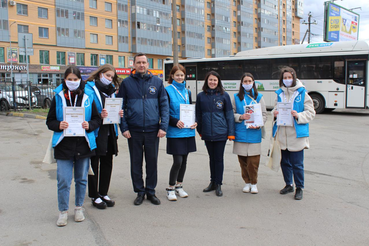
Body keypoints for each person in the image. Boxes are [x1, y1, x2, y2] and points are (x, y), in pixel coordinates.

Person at [46, 66, 100, 227]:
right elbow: (50, 121)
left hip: (84, 144)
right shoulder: (59, 97)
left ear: (80, 80)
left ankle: (78, 208)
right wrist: (59, 124)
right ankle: (63, 211)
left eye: (75, 79)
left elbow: (97, 119)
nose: (72, 82)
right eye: (69, 79)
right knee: (63, 180)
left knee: (82, 179)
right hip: (64, 144)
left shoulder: (88, 96)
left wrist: (88, 124)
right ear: (64, 80)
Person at [117, 53, 169, 205]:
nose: (141, 65)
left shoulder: (157, 82)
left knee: (152, 162)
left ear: (148, 64)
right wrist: (124, 127)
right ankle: (139, 191)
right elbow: (121, 107)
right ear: (133, 64)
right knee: (136, 162)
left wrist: (163, 126)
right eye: (138, 62)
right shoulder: (126, 83)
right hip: (134, 130)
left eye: (144, 62)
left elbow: (164, 106)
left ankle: (151, 191)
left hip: (153, 130)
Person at [272, 66, 315, 200]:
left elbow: (311, 113)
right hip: (282, 134)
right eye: (285, 78)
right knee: (284, 162)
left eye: (289, 77)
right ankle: (288, 184)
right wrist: (274, 113)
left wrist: (298, 115)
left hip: (296, 135)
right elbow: (274, 108)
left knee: (297, 164)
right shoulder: (280, 94)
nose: (287, 80)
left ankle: (299, 187)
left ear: (294, 78)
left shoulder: (302, 93)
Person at [85, 64, 124, 209]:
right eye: (107, 75)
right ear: (100, 74)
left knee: (107, 162)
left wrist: (119, 114)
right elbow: (86, 109)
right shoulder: (88, 89)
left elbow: (114, 108)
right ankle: (94, 195)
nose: (109, 79)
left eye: (112, 77)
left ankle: (103, 192)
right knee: (94, 164)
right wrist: (98, 114)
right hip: (96, 132)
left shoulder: (111, 91)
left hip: (109, 132)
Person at [196, 71, 235, 197]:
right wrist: (200, 131)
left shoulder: (224, 96)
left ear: (218, 82)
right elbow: (198, 115)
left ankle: (218, 184)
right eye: (210, 80)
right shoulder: (201, 96)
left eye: (215, 80)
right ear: (206, 81)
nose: (212, 82)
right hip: (207, 133)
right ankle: (212, 182)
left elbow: (229, 115)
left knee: (218, 159)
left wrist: (231, 133)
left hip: (221, 133)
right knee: (211, 158)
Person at [165, 65, 197, 201]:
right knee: (177, 161)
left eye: (182, 75)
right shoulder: (167, 90)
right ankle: (171, 188)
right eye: (177, 75)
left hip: (188, 131)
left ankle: (179, 185)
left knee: (184, 160)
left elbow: (190, 109)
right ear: (172, 76)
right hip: (175, 130)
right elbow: (164, 111)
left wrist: (194, 121)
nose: (179, 77)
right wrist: (174, 121)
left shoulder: (187, 92)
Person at [232, 73, 267, 194]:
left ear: (253, 83)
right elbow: (232, 113)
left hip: (254, 133)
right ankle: (246, 182)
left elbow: (264, 114)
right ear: (241, 83)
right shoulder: (236, 97)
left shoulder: (259, 97)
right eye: (245, 81)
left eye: (249, 81)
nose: (247, 83)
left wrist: (259, 123)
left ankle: (254, 183)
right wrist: (240, 116)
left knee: (253, 162)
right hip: (240, 132)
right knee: (243, 161)